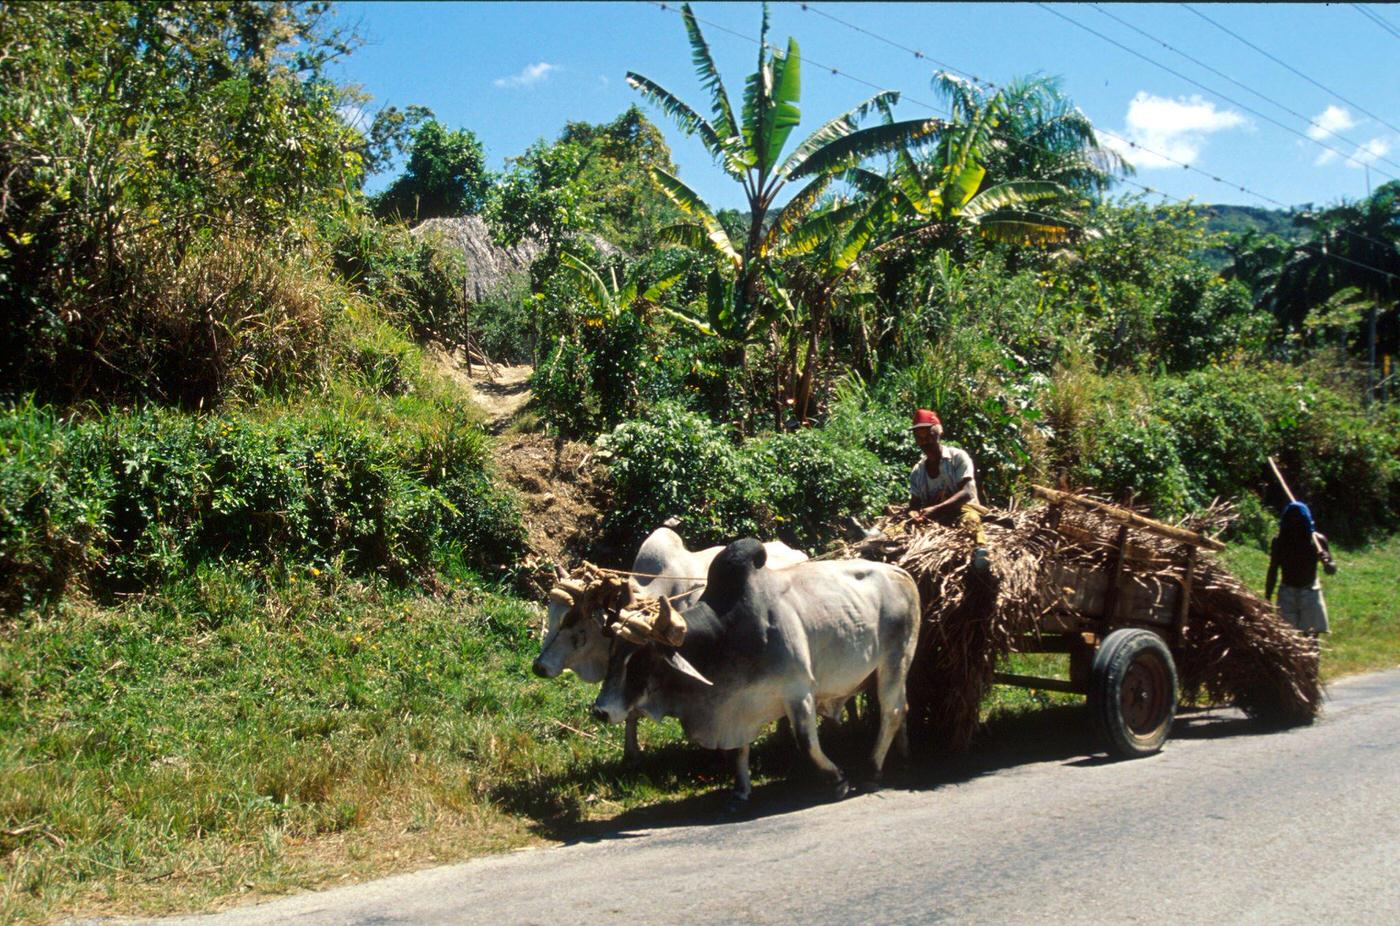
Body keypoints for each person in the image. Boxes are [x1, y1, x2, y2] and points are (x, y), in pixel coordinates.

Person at [907, 408, 990, 572]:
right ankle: (872, 538)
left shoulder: (957, 457)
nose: (924, 442)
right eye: (919, 438)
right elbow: (914, 504)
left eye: (928, 436)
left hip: (962, 509)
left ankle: (980, 550)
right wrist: (913, 514)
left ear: (938, 434)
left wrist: (935, 510)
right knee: (901, 525)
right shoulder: (918, 471)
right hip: (933, 518)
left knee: (971, 519)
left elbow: (967, 492)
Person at [1265, 500, 1336, 637]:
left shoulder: (1317, 541)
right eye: (1292, 524)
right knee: (1286, 637)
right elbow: (1273, 570)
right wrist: (1267, 597)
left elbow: (1331, 570)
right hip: (1287, 593)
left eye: (1298, 524)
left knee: (1311, 637)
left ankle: (1312, 658)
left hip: (1310, 592)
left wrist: (1327, 561)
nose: (1295, 528)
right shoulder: (1280, 542)